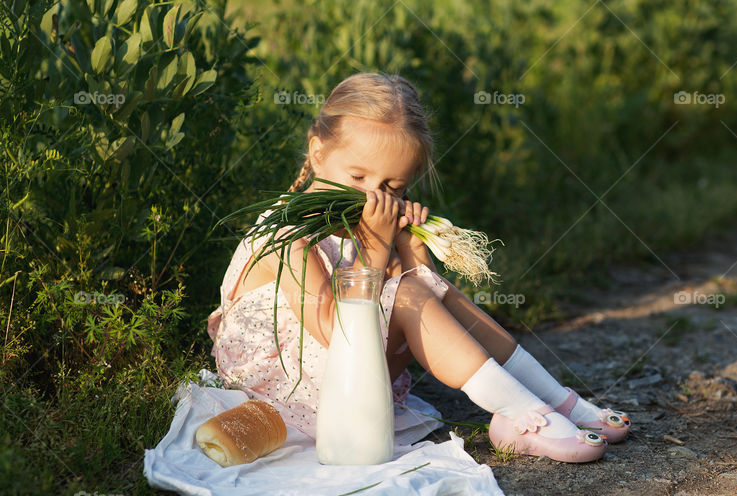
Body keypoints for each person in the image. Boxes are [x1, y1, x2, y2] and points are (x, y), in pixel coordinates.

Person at [206, 73, 630, 463]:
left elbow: (413, 296)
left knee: (432, 291)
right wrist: (375, 245)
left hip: (349, 375)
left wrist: (408, 248)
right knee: (409, 294)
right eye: (358, 177)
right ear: (318, 152)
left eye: (393, 187)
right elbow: (337, 331)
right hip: (290, 390)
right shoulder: (287, 233)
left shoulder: (359, 223)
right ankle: (523, 412)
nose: (374, 197)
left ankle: (554, 399)